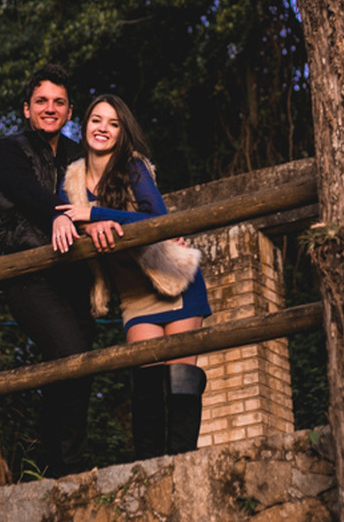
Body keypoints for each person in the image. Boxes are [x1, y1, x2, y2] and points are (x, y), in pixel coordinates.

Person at [51, 94, 212, 459]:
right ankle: (151, 469)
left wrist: (96, 214)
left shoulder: (133, 167)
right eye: (96, 120)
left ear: (122, 132)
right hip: (135, 296)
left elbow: (158, 220)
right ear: (84, 125)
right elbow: (65, 218)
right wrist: (76, 222)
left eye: (113, 123)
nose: (103, 128)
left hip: (173, 281)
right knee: (146, 382)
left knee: (180, 379)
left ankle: (184, 464)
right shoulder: (72, 180)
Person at [0, 64, 119, 477]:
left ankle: (55, 466)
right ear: (27, 109)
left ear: (70, 111)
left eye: (59, 102)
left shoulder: (80, 156)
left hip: (74, 277)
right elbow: (27, 193)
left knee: (77, 364)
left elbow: (113, 195)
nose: (49, 108)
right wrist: (60, 215)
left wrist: (155, 228)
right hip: (27, 273)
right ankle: (68, 467)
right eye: (41, 101)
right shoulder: (7, 152)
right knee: (70, 352)